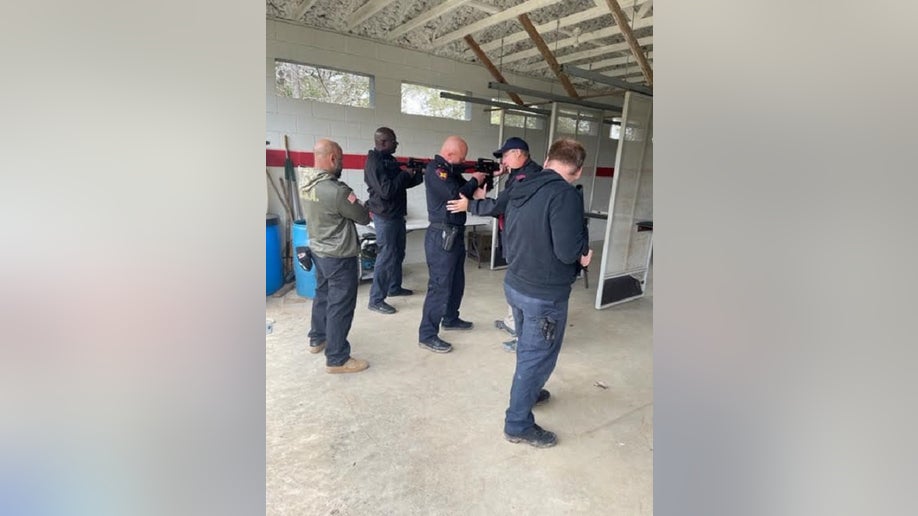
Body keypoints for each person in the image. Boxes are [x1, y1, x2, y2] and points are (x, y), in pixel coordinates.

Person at [501, 138, 593, 447]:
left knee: (529, 348)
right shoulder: (565, 195)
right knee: (537, 355)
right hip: (543, 294)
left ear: (547, 159)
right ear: (578, 171)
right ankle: (517, 424)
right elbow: (567, 252)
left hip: (515, 282)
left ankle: (530, 390)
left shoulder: (522, 182)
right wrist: (583, 254)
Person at [446, 136, 542, 352]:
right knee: (513, 284)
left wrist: (470, 205)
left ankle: (523, 339)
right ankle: (512, 322)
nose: (504, 162)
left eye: (506, 156)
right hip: (513, 236)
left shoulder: (527, 177)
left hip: (523, 241)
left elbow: (500, 205)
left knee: (521, 288)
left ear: (518, 153)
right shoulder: (518, 174)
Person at [299, 138, 373, 374]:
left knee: (322, 295)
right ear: (332, 158)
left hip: (319, 251)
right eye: (340, 160)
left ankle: (317, 338)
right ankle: (337, 358)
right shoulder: (337, 191)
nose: (340, 165)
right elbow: (362, 217)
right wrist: (364, 205)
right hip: (339, 256)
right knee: (340, 304)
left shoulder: (306, 184)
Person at [417, 136, 487, 353]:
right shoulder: (437, 170)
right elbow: (454, 195)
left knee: (457, 280)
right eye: (462, 157)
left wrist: (485, 178)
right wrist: (475, 179)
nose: (464, 161)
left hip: (455, 234)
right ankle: (427, 335)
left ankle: (450, 318)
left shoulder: (451, 171)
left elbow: (466, 191)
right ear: (449, 154)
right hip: (441, 235)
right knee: (439, 286)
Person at [364, 127, 424, 315]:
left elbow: (404, 184)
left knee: (398, 253)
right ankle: (376, 300)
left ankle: (394, 287)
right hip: (385, 217)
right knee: (386, 256)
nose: (396, 144)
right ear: (382, 142)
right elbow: (386, 191)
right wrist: (405, 173)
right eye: (393, 141)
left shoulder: (389, 160)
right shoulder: (374, 162)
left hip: (397, 215)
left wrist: (417, 173)